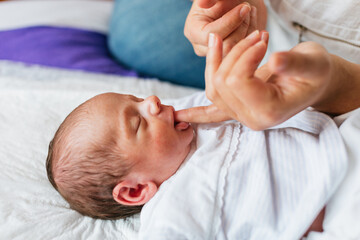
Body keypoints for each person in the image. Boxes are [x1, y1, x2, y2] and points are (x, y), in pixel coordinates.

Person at [46, 87, 346, 238]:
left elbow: (229, 96)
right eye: (138, 122)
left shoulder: (187, 112)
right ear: (136, 191)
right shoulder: (173, 213)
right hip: (332, 207)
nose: (151, 101)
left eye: (135, 98)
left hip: (337, 137)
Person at [109, 0, 360, 130]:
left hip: (296, 56)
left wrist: (336, 87)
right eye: (137, 122)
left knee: (134, 36)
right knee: (131, 35)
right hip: (280, 31)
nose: (151, 100)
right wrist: (243, 9)